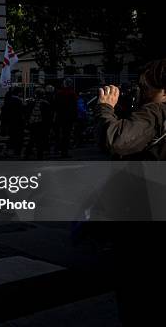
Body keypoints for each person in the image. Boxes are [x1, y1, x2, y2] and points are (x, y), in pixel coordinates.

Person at [95, 59, 166, 325]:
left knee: (140, 296)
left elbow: (114, 140)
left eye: (144, 85)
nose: (140, 90)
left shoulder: (156, 113)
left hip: (145, 225)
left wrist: (105, 109)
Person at [54, 78, 77, 157]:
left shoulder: (59, 93)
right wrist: (74, 117)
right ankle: (64, 152)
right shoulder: (72, 93)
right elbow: (74, 107)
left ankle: (57, 149)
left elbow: (55, 106)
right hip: (68, 117)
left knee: (59, 134)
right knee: (66, 135)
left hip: (60, 116)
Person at [0, 87, 25, 158]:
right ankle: (17, 152)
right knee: (18, 138)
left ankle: (5, 150)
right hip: (18, 122)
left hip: (10, 122)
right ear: (19, 93)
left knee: (12, 137)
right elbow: (21, 113)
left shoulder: (9, 100)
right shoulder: (18, 101)